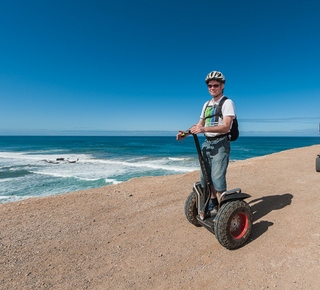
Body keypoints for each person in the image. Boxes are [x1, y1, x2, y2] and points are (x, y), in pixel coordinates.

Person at [176, 70, 236, 213]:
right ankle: (214, 204)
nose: (212, 88)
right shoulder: (207, 104)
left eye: (215, 85)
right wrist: (186, 133)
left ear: (222, 86)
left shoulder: (227, 102)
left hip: (221, 143)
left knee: (217, 178)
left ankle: (224, 210)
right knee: (206, 178)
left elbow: (226, 127)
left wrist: (203, 129)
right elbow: (199, 124)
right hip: (207, 143)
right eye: (209, 86)